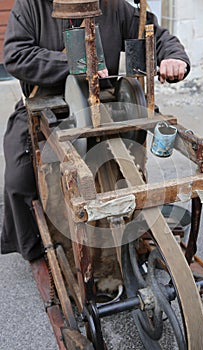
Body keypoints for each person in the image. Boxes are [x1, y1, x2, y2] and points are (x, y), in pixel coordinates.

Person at [1, 0, 190, 261]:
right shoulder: (30, 6)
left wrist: (173, 56)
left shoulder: (114, 6)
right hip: (44, 100)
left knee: (126, 161)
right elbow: (16, 55)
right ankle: (39, 248)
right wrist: (75, 64)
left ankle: (123, 232)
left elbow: (155, 34)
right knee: (18, 177)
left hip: (101, 101)